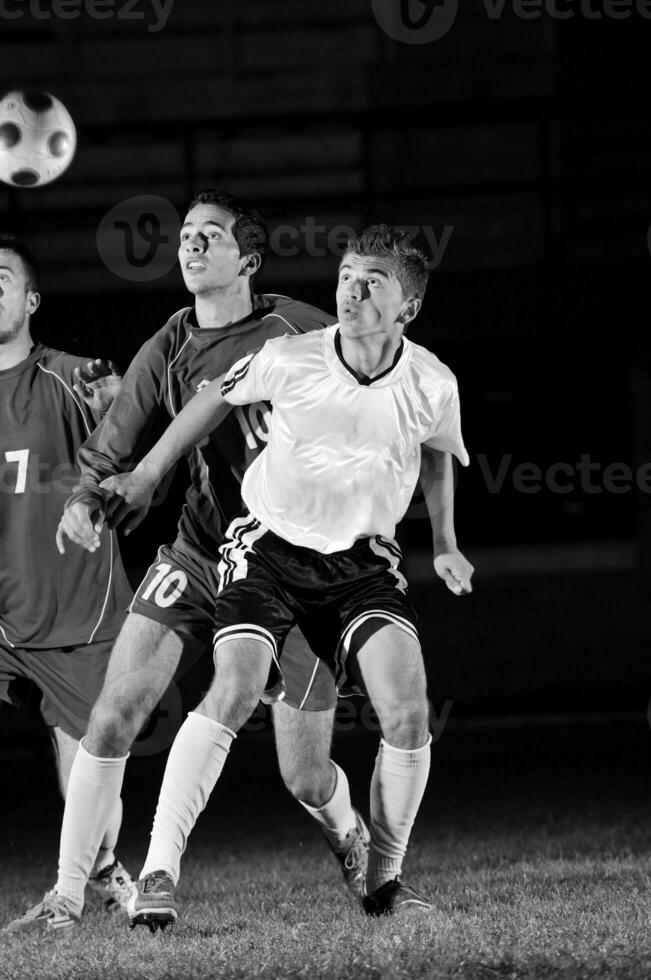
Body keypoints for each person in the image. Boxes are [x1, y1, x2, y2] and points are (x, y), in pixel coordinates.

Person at [5, 190, 372, 937]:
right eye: (186, 235)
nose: (190, 245)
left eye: (210, 235)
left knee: (302, 773)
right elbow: (115, 433)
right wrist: (84, 496)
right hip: (202, 553)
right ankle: (71, 897)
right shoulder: (168, 341)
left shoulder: (297, 329)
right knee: (113, 715)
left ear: (249, 259)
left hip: (296, 568)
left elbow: (377, 391)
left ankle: (352, 835)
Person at [105, 223, 474, 924]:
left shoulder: (432, 381)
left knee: (400, 715)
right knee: (237, 686)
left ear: (408, 308)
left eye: (373, 282)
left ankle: (384, 883)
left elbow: (435, 453)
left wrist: (446, 542)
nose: (351, 290)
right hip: (267, 551)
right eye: (345, 275)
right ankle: (157, 873)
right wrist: (150, 472)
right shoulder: (292, 357)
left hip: (362, 566)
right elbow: (215, 394)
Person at [0, 234, 135, 931]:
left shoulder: (69, 376)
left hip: (70, 607)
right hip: (2, 613)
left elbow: (135, 433)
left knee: (83, 755)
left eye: (2, 277)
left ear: (31, 299)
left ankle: (97, 876)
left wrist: (119, 403)